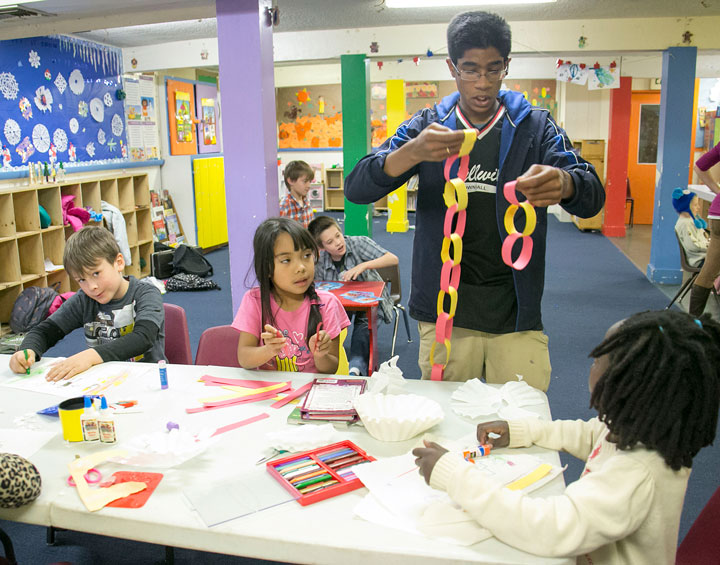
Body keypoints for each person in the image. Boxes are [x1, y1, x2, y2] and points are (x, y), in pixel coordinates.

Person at [344, 11, 604, 390]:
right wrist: (412, 153)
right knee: (446, 428)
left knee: (522, 428)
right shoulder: (429, 124)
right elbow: (357, 187)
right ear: (452, 67)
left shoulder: (534, 126)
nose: (482, 83)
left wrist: (566, 184)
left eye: (493, 70)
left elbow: (592, 194)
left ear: (506, 66)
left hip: (515, 314)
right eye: (470, 70)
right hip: (445, 314)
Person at [413, 309, 720, 564]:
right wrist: (523, 430)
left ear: (631, 385)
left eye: (601, 360)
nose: (592, 363)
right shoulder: (634, 430)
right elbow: (587, 435)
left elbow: (551, 529)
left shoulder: (636, 473)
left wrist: (455, 476)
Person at [9, 226, 165, 381]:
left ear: (118, 262)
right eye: (81, 280)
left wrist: (90, 356)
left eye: (96, 273)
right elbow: (45, 331)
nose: (92, 287)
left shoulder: (146, 293)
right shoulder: (84, 300)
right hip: (105, 382)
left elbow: (143, 338)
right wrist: (27, 351)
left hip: (148, 380)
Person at [233, 217, 350, 374]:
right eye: (286, 260)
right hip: (273, 393)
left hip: (312, 393)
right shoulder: (254, 300)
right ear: (267, 268)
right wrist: (268, 350)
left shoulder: (327, 303)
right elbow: (244, 359)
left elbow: (331, 368)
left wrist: (320, 355)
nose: (301, 267)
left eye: (307, 255)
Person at [308, 215, 398, 375]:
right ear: (322, 248)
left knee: (363, 330)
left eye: (338, 235)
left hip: (369, 303)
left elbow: (393, 259)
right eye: (330, 242)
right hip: (342, 305)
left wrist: (364, 266)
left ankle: (356, 368)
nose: (338, 242)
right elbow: (318, 288)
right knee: (328, 327)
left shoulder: (358, 243)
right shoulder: (320, 259)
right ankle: (332, 362)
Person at [689, 144, 720, 315]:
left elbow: (699, 167)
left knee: (708, 271)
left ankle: (692, 324)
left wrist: (718, 192)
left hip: (717, 215)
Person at [672, 187, 708, 267]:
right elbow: (693, 245)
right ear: (685, 207)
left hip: (704, 256)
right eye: (695, 205)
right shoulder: (685, 224)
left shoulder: (691, 221)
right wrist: (709, 247)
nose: (698, 207)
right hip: (698, 260)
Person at [279, 160, 315, 228]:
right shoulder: (284, 205)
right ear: (290, 181)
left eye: (310, 181)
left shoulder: (306, 201)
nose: (309, 185)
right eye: (305, 181)